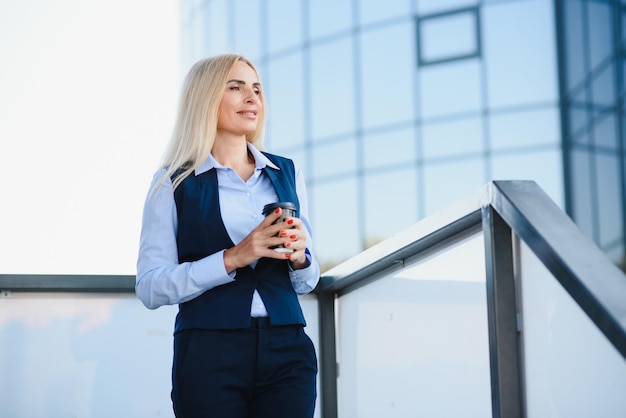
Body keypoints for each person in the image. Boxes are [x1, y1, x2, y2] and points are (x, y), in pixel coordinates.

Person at [136, 54, 320, 418]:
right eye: (235, 88)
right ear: (205, 98)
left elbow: (307, 281)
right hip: (208, 351)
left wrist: (301, 256)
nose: (251, 98)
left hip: (287, 348)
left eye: (256, 89)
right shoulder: (172, 183)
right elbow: (150, 286)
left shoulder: (286, 172)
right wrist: (233, 257)